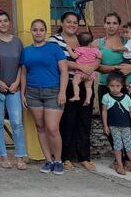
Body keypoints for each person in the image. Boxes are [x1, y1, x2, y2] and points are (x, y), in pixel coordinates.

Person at [96, 12, 131, 173]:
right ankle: (120, 156)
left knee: (128, 120)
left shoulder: (130, 40)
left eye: (114, 23)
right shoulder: (97, 43)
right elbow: (97, 66)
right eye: (108, 22)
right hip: (106, 85)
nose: (111, 26)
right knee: (109, 120)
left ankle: (127, 159)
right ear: (104, 24)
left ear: (119, 26)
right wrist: (116, 68)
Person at [20, 19, 68, 175]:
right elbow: (24, 73)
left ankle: (58, 160)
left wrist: (62, 92)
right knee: (40, 127)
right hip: (33, 93)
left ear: (46, 31)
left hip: (53, 92)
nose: (38, 32)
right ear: (31, 31)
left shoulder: (54, 49)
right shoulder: (26, 51)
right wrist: (23, 93)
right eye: (35, 30)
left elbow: (64, 72)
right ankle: (48, 160)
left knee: (52, 128)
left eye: (41, 29)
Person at [51, 11, 98, 172]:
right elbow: (58, 61)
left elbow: (97, 57)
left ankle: (84, 156)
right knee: (68, 121)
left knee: (85, 120)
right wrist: (79, 66)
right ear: (62, 22)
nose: (72, 25)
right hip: (68, 84)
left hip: (86, 83)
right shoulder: (54, 40)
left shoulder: (83, 39)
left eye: (75, 22)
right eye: (69, 21)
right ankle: (66, 157)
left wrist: (90, 68)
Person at [0, 9, 27, 170]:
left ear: (9, 22)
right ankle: (2, 156)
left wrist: (17, 82)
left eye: (5, 20)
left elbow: (21, 65)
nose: (3, 23)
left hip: (14, 89)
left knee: (17, 123)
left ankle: (20, 157)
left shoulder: (17, 41)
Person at [101, 72, 131, 177]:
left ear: (122, 86)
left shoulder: (127, 98)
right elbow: (104, 112)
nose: (115, 88)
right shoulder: (106, 97)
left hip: (126, 127)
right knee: (117, 146)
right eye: (112, 86)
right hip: (113, 126)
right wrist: (105, 125)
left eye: (118, 86)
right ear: (108, 86)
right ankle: (120, 165)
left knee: (129, 148)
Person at [68, 32, 101, 105]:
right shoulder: (95, 50)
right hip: (91, 73)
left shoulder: (79, 49)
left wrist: (69, 49)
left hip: (80, 72)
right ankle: (88, 99)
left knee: (75, 83)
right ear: (90, 42)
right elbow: (100, 57)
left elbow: (74, 56)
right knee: (88, 87)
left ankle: (76, 96)